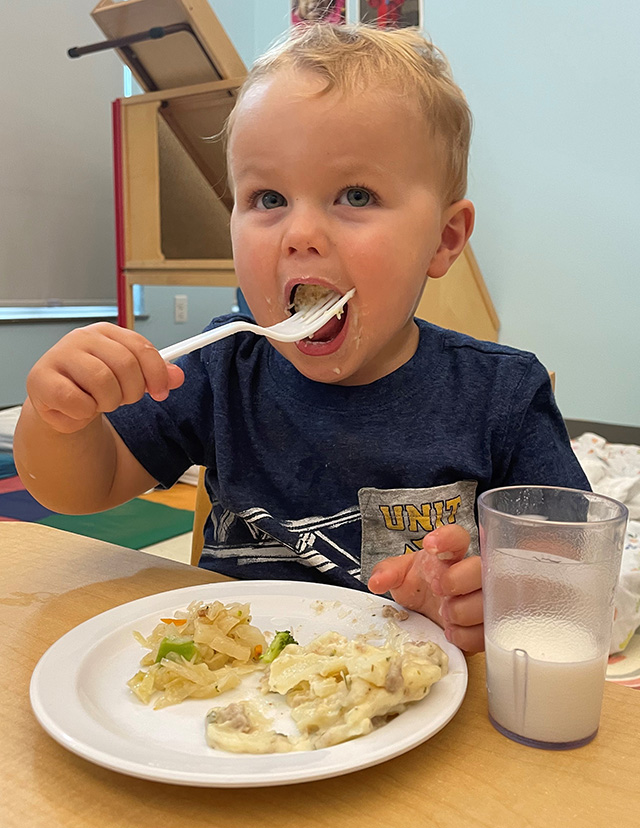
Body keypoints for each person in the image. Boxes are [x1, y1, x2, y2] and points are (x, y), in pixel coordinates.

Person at [14, 24, 589, 654]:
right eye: (267, 197)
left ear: (445, 239)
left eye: (356, 195)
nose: (301, 233)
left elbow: (569, 570)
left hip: (419, 693)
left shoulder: (497, 392)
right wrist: (59, 420)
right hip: (232, 698)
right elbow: (80, 489)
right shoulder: (221, 368)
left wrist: (498, 598)